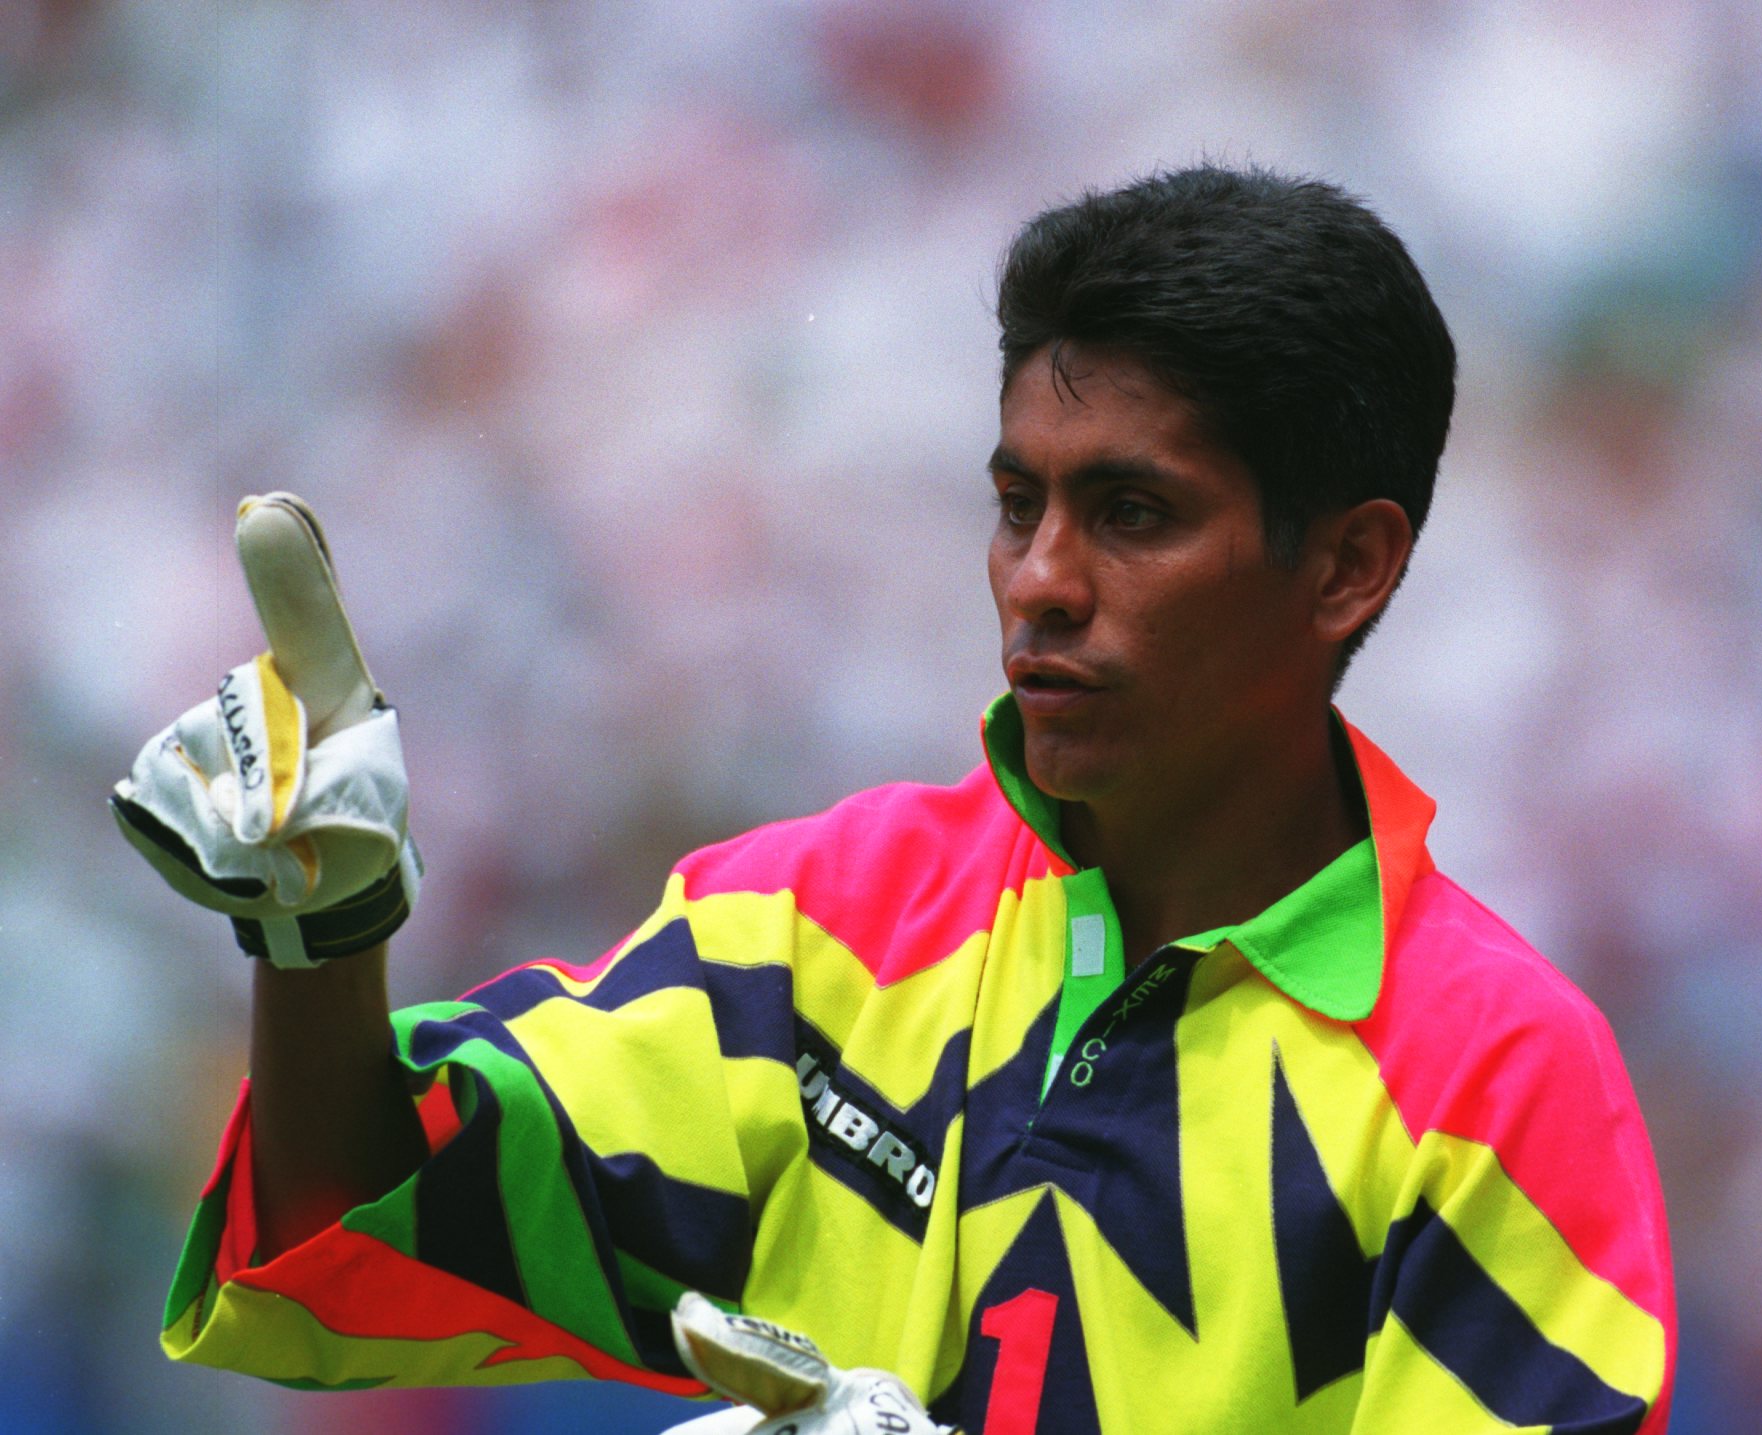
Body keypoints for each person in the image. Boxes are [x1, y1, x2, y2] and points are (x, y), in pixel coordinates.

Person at [118, 165, 1676, 1434]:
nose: (1041, 584)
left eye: (1132, 513)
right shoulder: (821, 922)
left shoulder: (1503, 1086)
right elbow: (350, 1238)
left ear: (1349, 566)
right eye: (1018, 504)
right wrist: (323, 936)